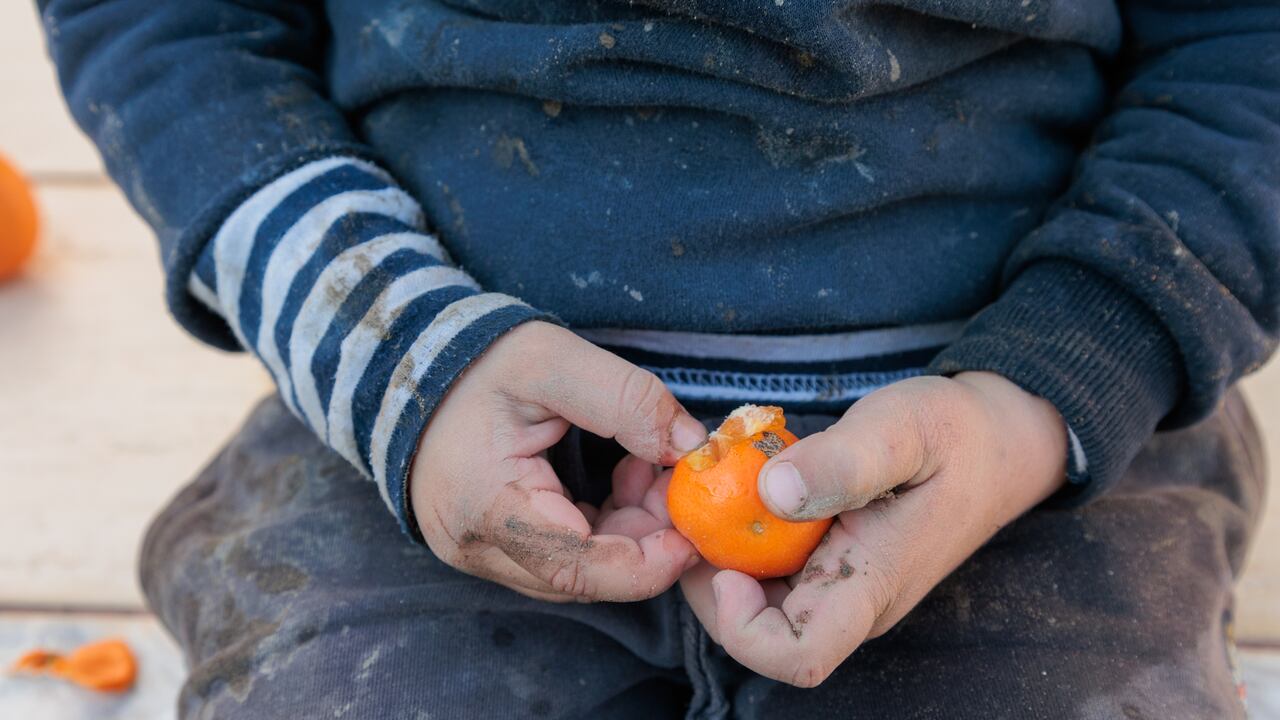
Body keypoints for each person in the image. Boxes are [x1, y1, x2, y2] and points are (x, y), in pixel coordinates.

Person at [37, 1, 1277, 717]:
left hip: (1021, 445)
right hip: (426, 409)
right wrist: (392, 352)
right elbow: (171, 23)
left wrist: (1050, 385)